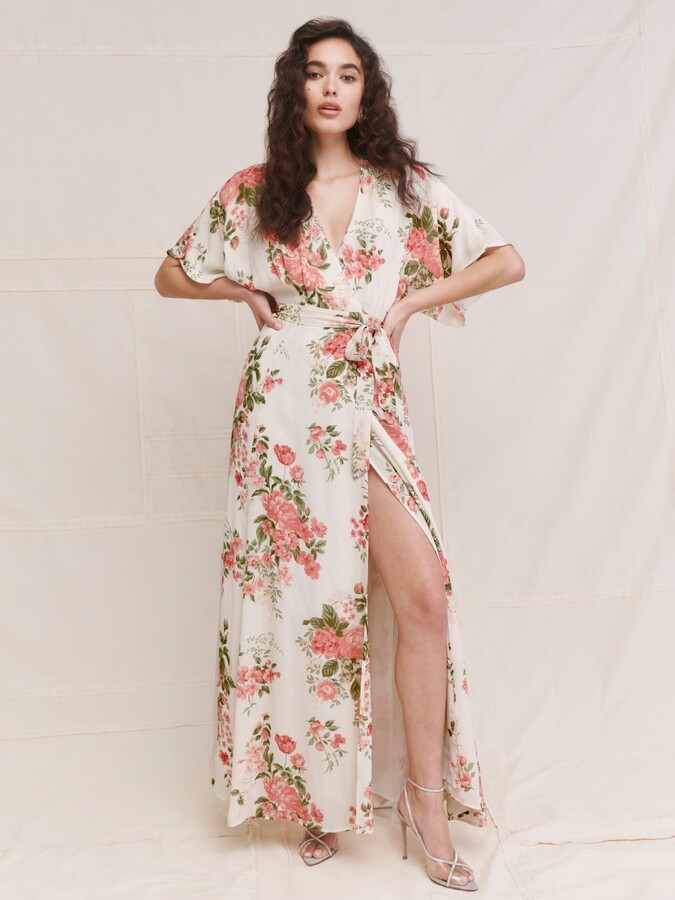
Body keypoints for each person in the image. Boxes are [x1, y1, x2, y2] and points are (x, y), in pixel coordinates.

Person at [155, 16, 524, 892]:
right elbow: (170, 273)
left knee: (422, 594)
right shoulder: (257, 190)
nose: (330, 87)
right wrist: (240, 289)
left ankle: (425, 804)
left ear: (367, 92)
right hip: (282, 409)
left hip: (367, 399)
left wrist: (410, 304)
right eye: (315, 72)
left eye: (347, 74)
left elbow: (505, 261)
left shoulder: (403, 189)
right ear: (295, 89)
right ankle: (317, 797)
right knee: (305, 604)